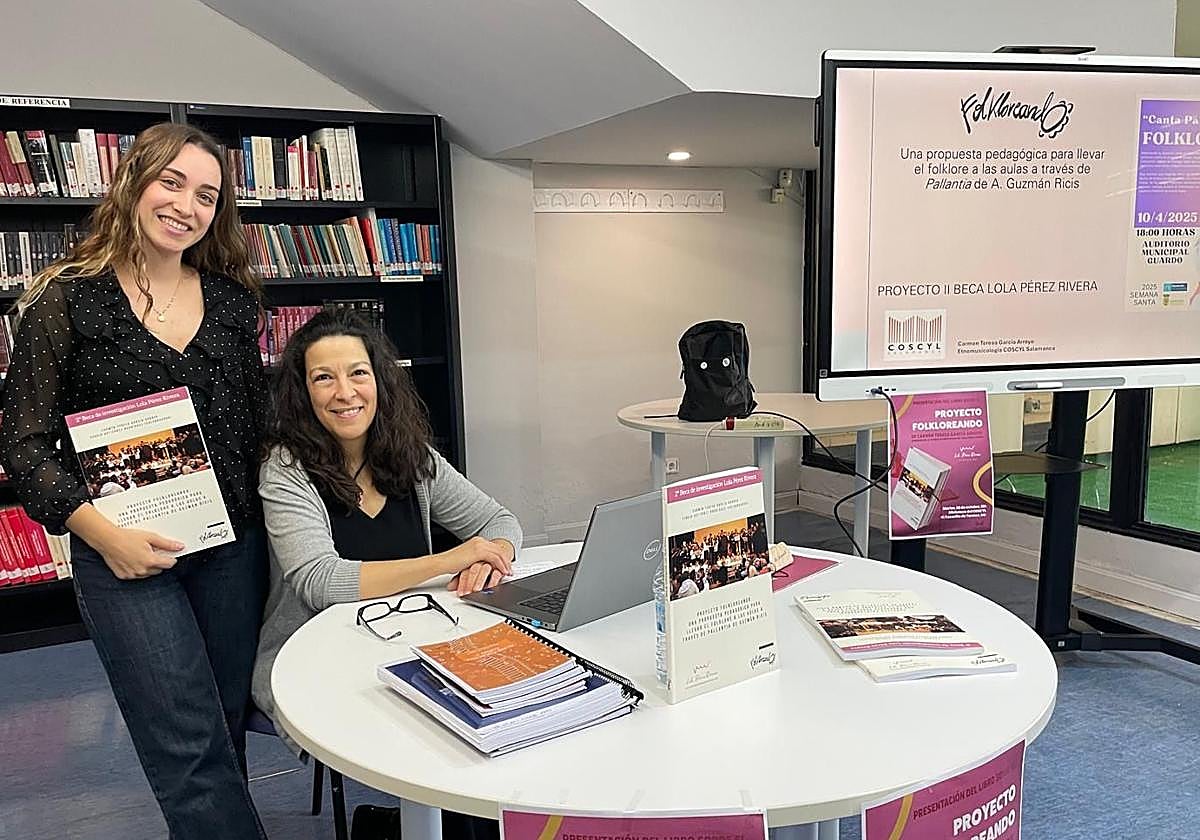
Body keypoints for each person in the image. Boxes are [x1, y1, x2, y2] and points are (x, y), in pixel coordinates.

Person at [0, 123, 269, 839]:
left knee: (222, 728)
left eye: (207, 195)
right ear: (132, 183)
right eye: (172, 182)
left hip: (231, 549)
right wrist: (102, 536)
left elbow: (256, 431)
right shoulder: (64, 300)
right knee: (185, 745)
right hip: (125, 556)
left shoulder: (235, 301)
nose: (187, 205)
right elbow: (22, 444)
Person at [252, 307, 521, 840]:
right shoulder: (285, 469)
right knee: (453, 734)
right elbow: (321, 581)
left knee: (502, 712)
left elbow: (500, 521)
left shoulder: (408, 454)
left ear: (379, 379)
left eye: (357, 373)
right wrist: (451, 559)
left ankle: (418, 826)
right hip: (314, 655)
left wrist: (491, 561)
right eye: (322, 378)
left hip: (416, 635)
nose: (344, 392)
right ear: (303, 394)